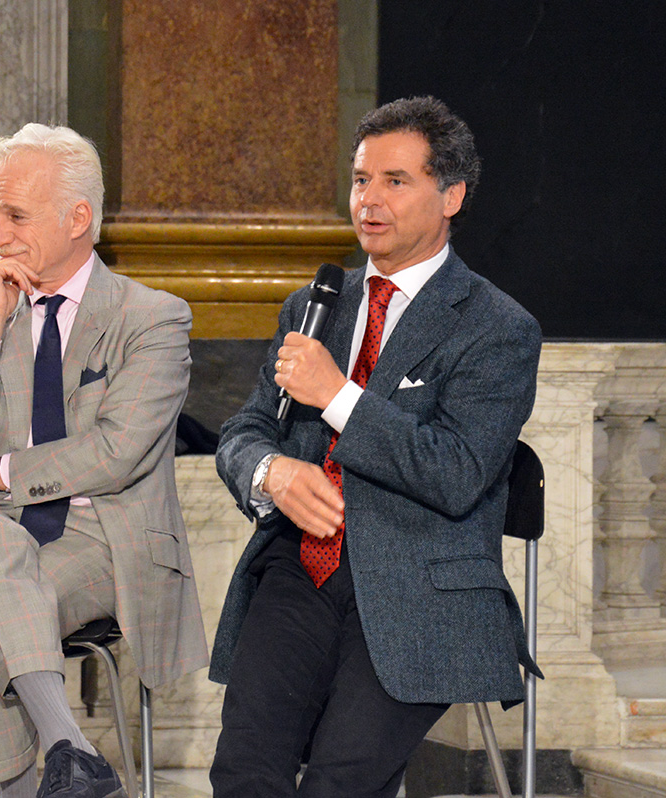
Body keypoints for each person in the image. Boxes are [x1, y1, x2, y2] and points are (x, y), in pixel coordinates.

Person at [208, 96, 542, 797]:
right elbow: (244, 431)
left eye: (395, 181)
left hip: (422, 589)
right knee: (244, 772)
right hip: (301, 568)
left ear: (451, 195)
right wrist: (270, 471)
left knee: (339, 784)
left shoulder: (496, 327)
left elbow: (458, 472)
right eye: (361, 180)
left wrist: (337, 395)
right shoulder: (314, 305)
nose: (369, 200)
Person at [0, 123, 207, 798]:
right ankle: (71, 749)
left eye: (15, 216)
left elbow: (116, 452)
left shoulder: (151, 319)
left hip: (100, 539)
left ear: (78, 219)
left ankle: (56, 780)